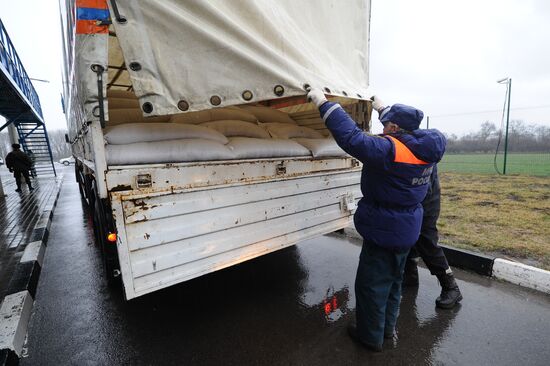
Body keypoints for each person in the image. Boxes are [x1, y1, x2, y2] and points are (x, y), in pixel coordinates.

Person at [307, 89, 446, 352]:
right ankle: (387, 330)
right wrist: (381, 108)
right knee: (394, 282)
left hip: (384, 229)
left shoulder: (387, 151)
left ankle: (370, 337)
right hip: (407, 228)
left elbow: (351, 137)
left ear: (394, 128)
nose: (384, 129)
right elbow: (396, 128)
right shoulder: (424, 147)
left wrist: (323, 104)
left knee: (371, 285)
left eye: (387, 124)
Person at [403, 166, 463, 309]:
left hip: (425, 200)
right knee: (411, 239)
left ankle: (451, 287)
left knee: (427, 242)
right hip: (418, 197)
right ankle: (410, 277)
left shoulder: (423, 146)